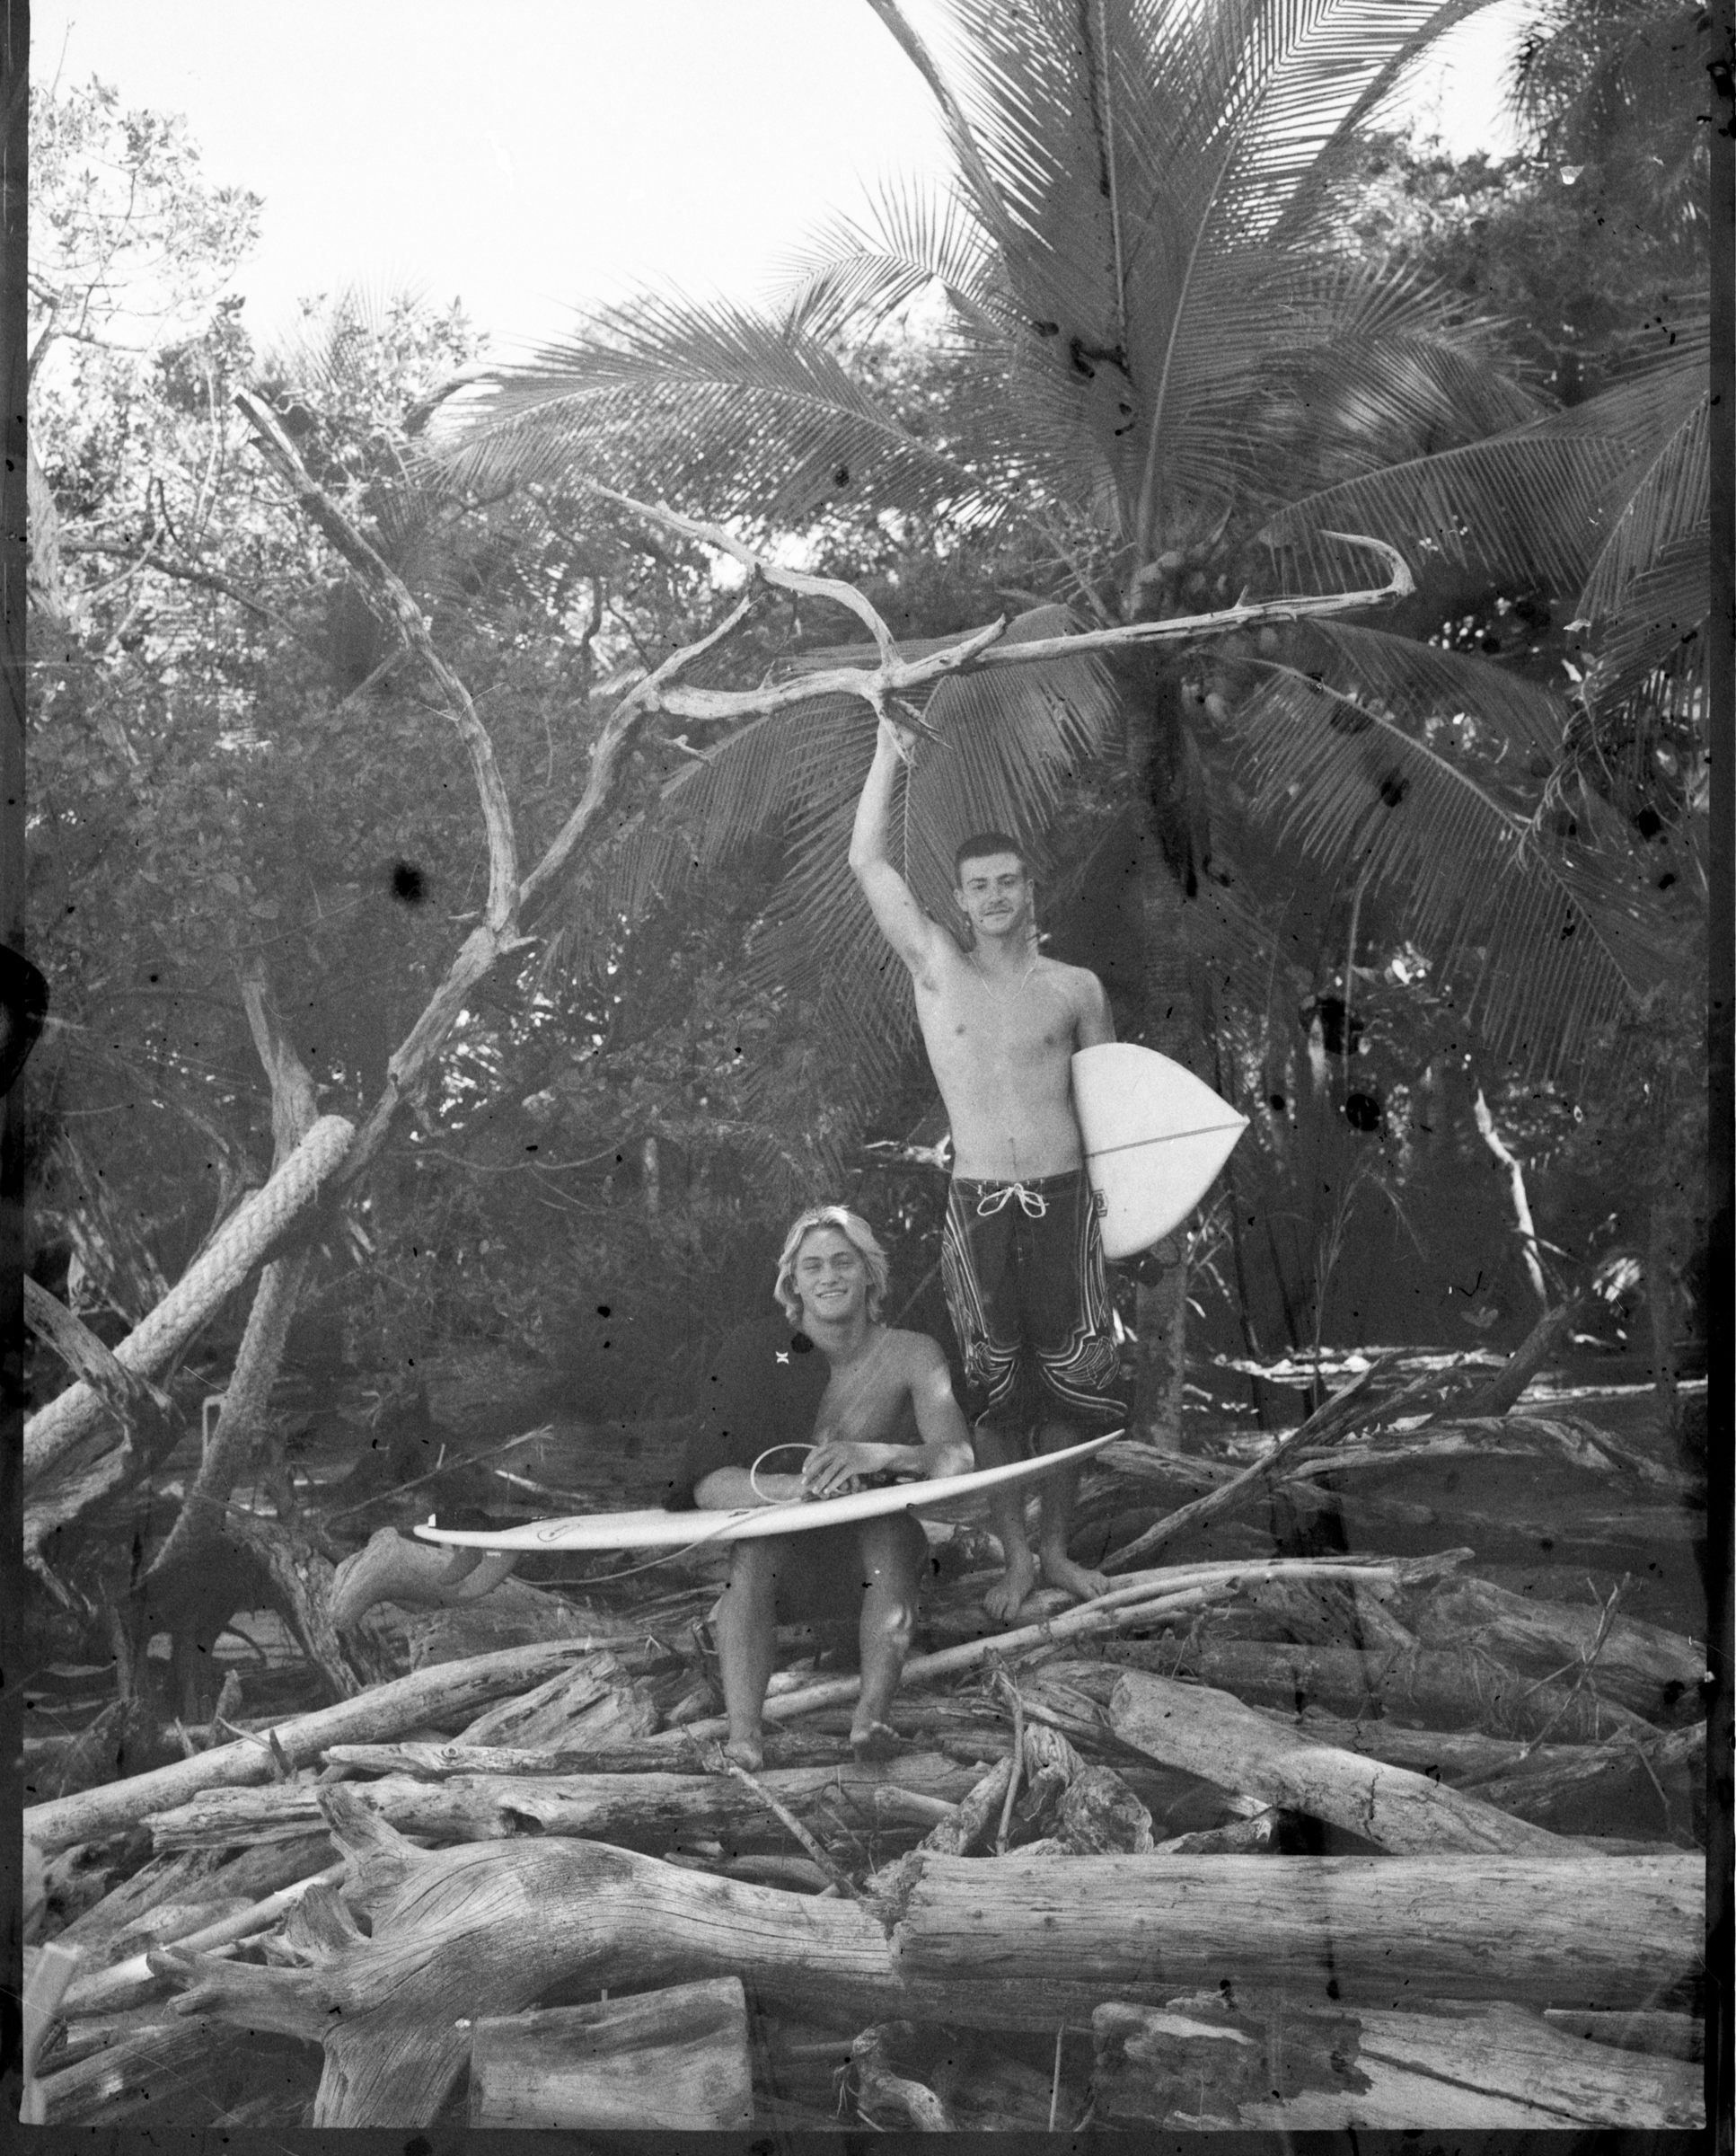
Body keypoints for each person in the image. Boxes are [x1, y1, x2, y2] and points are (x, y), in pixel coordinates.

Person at [850, 717, 1126, 1621]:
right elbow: (868, 865)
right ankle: (1015, 1557)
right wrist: (889, 750)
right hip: (977, 1206)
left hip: (1068, 1201)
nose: (996, 895)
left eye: (1009, 880)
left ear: (1028, 888)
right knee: (996, 1396)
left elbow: (1114, 1107)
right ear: (960, 902)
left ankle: (1056, 1551)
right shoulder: (937, 969)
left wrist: (1129, 1216)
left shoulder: (1076, 989)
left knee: (1075, 1390)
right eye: (979, 886)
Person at [666, 1204, 973, 1771]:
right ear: (793, 1283)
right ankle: (743, 1737)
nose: (829, 1277)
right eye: (812, 1267)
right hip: (787, 1571)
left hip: (878, 1568)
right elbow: (709, 1483)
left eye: (842, 1262)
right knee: (756, 1549)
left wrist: (876, 1455)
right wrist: (799, 1490)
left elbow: (957, 1457)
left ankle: (871, 1718)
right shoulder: (753, 1351)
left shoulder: (913, 1352)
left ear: (869, 1272)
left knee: (887, 1529)